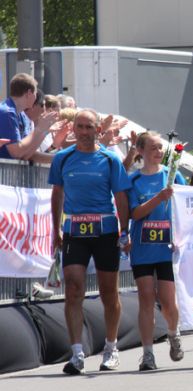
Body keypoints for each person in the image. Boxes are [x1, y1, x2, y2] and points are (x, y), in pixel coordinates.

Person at [49, 109, 132, 375]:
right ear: (74, 128)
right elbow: (57, 193)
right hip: (74, 231)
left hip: (105, 231)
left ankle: (111, 347)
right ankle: (76, 354)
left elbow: (120, 196)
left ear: (98, 130)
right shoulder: (62, 158)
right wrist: (55, 229)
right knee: (73, 289)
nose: (84, 132)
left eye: (89, 127)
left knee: (109, 292)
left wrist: (125, 230)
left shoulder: (110, 159)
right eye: (80, 126)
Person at [127, 131, 187, 371]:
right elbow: (135, 213)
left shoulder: (173, 175)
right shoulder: (134, 180)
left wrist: (181, 236)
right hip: (142, 247)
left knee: (168, 302)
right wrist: (158, 198)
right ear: (140, 151)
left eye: (161, 147)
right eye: (153, 148)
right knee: (146, 299)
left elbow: (185, 207)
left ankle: (173, 333)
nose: (158, 152)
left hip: (166, 248)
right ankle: (148, 354)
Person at [0, 73, 58, 163]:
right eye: (35, 93)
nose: (36, 97)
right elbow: (16, 152)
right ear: (29, 93)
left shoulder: (23, 116)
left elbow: (27, 154)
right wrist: (40, 129)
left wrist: (43, 130)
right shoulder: (6, 113)